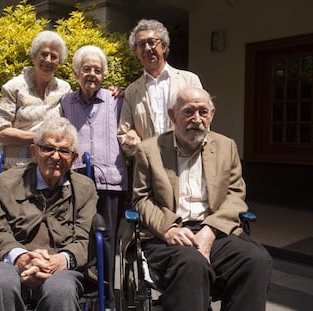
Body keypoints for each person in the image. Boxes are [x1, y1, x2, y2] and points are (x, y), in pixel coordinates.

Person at [131, 87, 272, 310]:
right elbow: (142, 200)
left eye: (203, 112)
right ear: (172, 115)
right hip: (168, 235)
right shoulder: (149, 150)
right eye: (188, 112)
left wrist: (211, 230)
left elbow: (235, 195)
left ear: (212, 114)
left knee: (256, 260)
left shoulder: (227, 147)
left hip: (215, 231)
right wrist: (168, 229)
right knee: (192, 263)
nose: (196, 119)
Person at [0, 116, 98, 311]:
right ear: (34, 152)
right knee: (0, 283)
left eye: (64, 151)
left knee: (60, 291)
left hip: (62, 266)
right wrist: (21, 258)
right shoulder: (3, 184)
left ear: (74, 159)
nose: (55, 156)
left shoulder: (85, 189)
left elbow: (84, 239)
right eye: (48, 148)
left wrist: (60, 260)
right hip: (11, 261)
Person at [53, 45, 128, 310]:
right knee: (79, 233)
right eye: (86, 69)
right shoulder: (66, 102)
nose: (92, 74)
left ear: (103, 75)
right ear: (76, 73)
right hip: (77, 181)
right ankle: (84, 285)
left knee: (107, 237)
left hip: (110, 179)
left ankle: (105, 293)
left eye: (97, 70)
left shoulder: (117, 100)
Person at [118, 19, 203, 152]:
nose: (147, 48)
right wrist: (130, 138)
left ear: (164, 46)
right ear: (136, 53)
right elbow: (123, 133)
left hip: (186, 161)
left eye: (152, 42)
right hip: (149, 166)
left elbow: (203, 122)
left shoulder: (190, 81)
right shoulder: (132, 91)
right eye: (141, 44)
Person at [0, 30, 71, 169]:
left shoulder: (64, 89)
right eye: (44, 54)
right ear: (34, 57)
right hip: (16, 167)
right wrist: (40, 138)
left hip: (51, 168)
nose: (48, 60)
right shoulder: (14, 87)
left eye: (54, 56)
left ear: (59, 62)